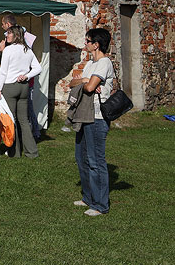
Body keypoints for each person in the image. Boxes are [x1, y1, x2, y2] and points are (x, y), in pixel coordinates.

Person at [68, 28, 115, 216]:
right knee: (81, 158)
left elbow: (88, 87)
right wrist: (86, 80)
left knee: (96, 161)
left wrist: (86, 81)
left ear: (96, 44)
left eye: (88, 41)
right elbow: (73, 82)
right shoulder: (89, 64)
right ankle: (88, 197)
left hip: (97, 117)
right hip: (83, 114)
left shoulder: (104, 63)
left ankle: (100, 204)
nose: (85, 44)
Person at [0, 27, 42, 158]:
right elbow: (38, 68)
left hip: (10, 86)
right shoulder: (27, 50)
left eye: (9, 33)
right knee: (24, 120)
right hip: (24, 87)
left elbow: (3, 71)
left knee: (11, 119)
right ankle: (32, 152)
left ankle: (14, 152)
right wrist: (27, 76)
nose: (6, 36)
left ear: (15, 35)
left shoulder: (8, 50)